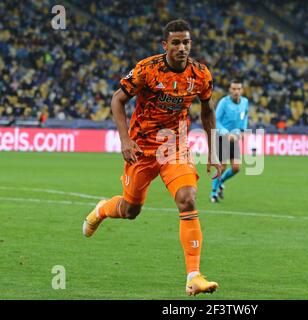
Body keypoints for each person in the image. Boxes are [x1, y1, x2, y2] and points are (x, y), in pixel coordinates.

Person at [82, 19, 221, 296]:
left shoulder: (200, 74)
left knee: (187, 198)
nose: (182, 47)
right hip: (142, 148)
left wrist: (214, 150)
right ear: (165, 45)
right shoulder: (147, 69)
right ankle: (101, 210)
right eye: (176, 42)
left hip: (174, 146)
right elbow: (117, 100)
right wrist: (125, 139)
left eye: (186, 42)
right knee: (131, 210)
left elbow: (207, 111)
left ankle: (193, 276)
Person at [210, 80, 249, 202]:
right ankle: (213, 193)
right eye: (233, 89)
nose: (236, 91)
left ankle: (220, 181)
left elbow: (245, 116)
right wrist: (226, 133)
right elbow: (216, 120)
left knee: (236, 167)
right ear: (230, 90)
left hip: (234, 137)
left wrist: (243, 130)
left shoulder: (245, 102)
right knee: (221, 167)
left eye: (238, 89)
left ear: (241, 90)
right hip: (222, 137)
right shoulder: (224, 102)